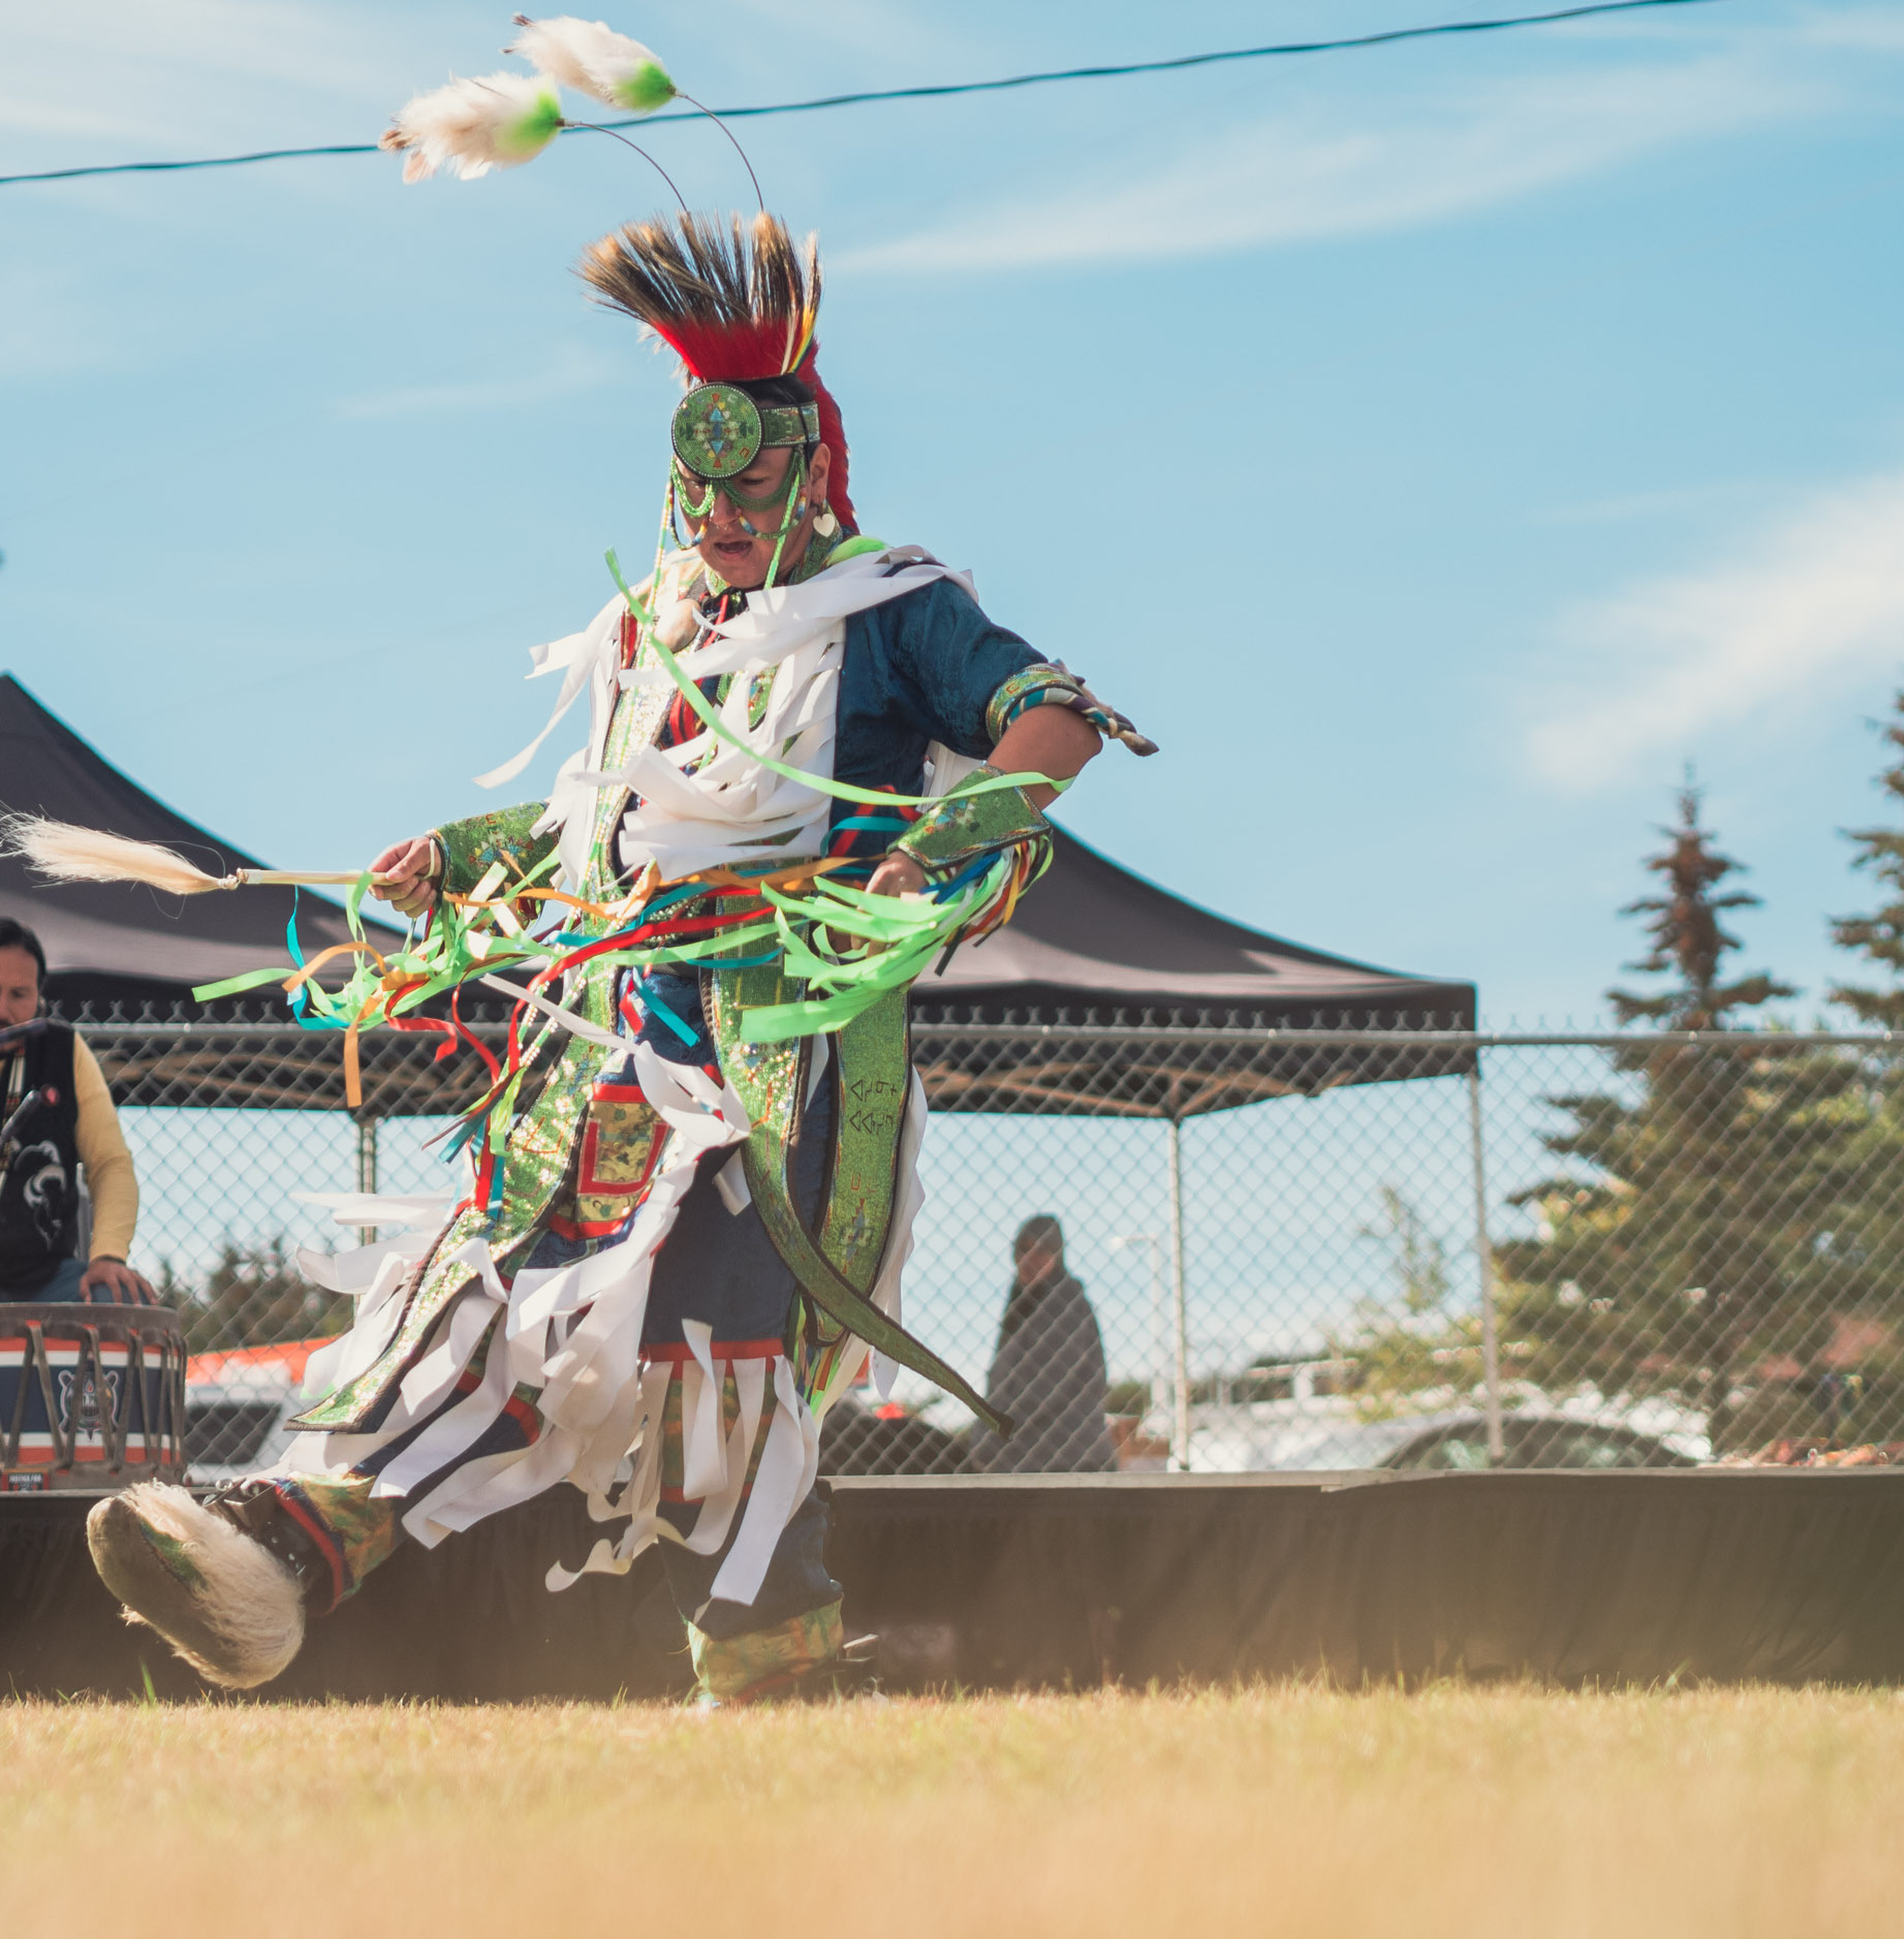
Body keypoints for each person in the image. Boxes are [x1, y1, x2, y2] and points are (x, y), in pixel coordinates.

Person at [87, 207, 1154, 1704]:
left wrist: (940, 842)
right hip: (613, 1032)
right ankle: (288, 1549)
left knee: (712, 1365)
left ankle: (767, 1666)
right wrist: (463, 854)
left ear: (810, 469)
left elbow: (1052, 720)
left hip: (783, 1060)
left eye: (751, 478)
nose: (717, 511)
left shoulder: (893, 608)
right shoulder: (655, 633)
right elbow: (611, 819)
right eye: (694, 481)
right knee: (488, 1279)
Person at [0, 918, 155, 1306]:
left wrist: (108, 1256)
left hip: (46, 1280)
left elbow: (111, 1163)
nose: (3, 1011)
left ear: (39, 999)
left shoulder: (63, 1050)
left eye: (18, 994)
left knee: (117, 1298)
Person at [972, 1216, 1115, 1475]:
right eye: (1023, 1250)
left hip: (1067, 1460)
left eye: (1041, 1251)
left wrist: (991, 1433)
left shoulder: (1064, 1302)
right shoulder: (1024, 1301)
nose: (1030, 1259)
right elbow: (1004, 1379)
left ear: (1056, 1255)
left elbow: (1044, 1385)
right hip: (1033, 1456)